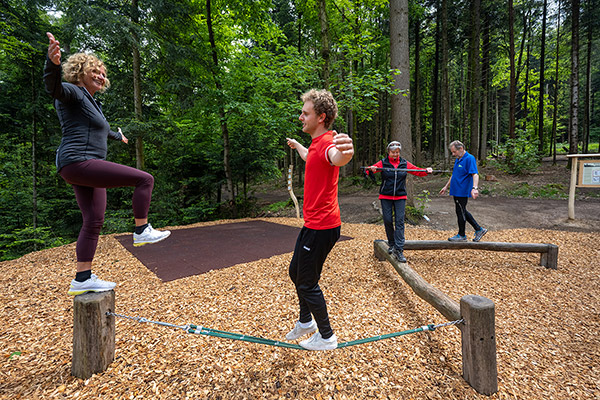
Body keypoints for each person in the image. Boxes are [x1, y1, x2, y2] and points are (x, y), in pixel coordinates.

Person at [44, 32, 171, 296]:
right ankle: (141, 230)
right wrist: (52, 65)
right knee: (144, 179)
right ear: (79, 72)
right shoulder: (73, 93)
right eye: (95, 71)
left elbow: (100, 128)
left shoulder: (91, 102)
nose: (102, 76)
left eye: (103, 73)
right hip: (79, 161)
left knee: (93, 220)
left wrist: (117, 135)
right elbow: (54, 88)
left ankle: (82, 278)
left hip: (80, 166)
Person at [284, 89, 353, 351]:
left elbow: (337, 157)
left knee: (306, 282)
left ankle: (326, 337)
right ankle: (306, 322)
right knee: (295, 272)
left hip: (322, 226)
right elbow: (310, 157)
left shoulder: (328, 143)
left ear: (321, 117)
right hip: (313, 224)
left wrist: (346, 153)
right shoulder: (315, 143)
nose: (301, 116)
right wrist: (298, 146)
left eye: (306, 112)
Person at [366, 141, 433, 263]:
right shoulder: (383, 162)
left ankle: (399, 249)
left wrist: (426, 170)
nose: (395, 154)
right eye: (393, 152)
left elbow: (417, 171)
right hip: (385, 196)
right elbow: (369, 171)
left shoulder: (404, 163)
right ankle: (391, 244)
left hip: (400, 197)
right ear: (388, 152)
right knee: (387, 220)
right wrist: (371, 169)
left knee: (400, 222)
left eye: (397, 152)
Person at [439, 140, 487, 242]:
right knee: (462, 211)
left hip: (462, 190)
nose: (453, 154)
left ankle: (462, 235)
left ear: (461, 149)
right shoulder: (458, 159)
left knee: (460, 211)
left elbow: (475, 174)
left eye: (454, 152)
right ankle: (479, 229)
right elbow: (454, 174)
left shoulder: (469, 158)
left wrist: (475, 188)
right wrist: (446, 186)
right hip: (456, 190)